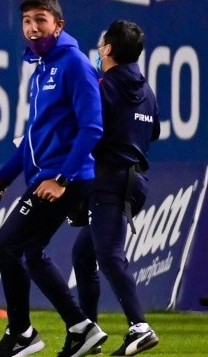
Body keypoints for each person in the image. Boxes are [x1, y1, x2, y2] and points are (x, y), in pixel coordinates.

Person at [0, 0, 107, 357]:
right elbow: (33, 138)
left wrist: (62, 178)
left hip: (65, 178)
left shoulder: (74, 64)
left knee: (7, 244)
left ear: (58, 24)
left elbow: (92, 128)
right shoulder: (42, 70)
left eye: (40, 20)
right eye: (26, 21)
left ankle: (22, 333)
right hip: (47, 176)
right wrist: (2, 178)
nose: (33, 28)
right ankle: (82, 328)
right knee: (31, 253)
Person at [71, 20, 160, 356]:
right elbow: (154, 132)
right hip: (136, 181)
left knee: (109, 256)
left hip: (109, 179)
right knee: (84, 253)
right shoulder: (147, 90)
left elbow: (87, 127)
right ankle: (89, 329)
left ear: (108, 49)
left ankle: (140, 326)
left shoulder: (102, 85)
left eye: (101, 42)